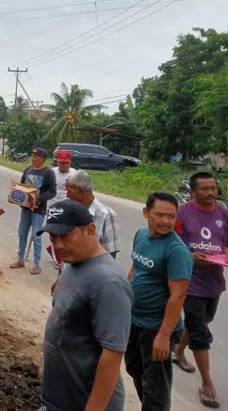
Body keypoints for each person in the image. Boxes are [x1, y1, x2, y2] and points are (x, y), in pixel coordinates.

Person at [39, 199, 133, 411]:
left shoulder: (109, 282)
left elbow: (113, 353)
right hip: (61, 397)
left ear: (90, 230)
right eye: (53, 237)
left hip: (83, 402)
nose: (58, 245)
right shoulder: (73, 263)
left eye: (66, 236)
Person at [125, 192, 194, 411]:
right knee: (134, 369)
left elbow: (178, 296)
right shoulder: (141, 235)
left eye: (171, 216)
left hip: (157, 328)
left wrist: (164, 336)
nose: (166, 221)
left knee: (156, 387)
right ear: (146, 213)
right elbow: (135, 270)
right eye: (160, 215)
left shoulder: (177, 251)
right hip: (134, 321)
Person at [172, 172, 228, 408]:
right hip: (190, 281)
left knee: (200, 322)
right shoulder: (182, 212)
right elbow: (172, 242)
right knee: (201, 333)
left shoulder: (223, 212)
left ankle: (178, 352)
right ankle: (207, 384)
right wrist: (190, 256)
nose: (210, 193)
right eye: (204, 189)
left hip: (214, 281)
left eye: (213, 188)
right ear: (193, 192)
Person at [10, 147, 57, 275]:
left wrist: (39, 200)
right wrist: (15, 197)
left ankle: (37, 264)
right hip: (25, 208)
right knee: (22, 233)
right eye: (32, 155)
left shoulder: (48, 173)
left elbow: (52, 191)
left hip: (38, 210)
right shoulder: (28, 170)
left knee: (36, 235)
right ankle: (20, 259)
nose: (33, 158)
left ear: (42, 158)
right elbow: (21, 186)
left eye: (35, 156)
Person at [66, 171, 121, 259]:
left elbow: (110, 254)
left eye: (69, 191)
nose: (67, 196)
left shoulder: (106, 215)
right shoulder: (70, 210)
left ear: (82, 192)